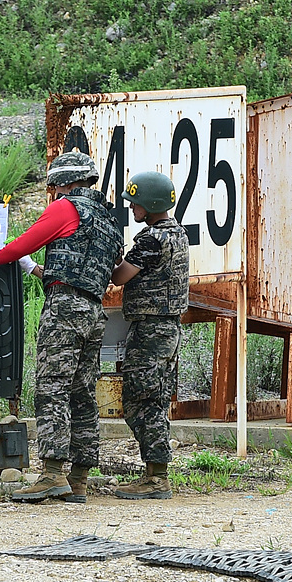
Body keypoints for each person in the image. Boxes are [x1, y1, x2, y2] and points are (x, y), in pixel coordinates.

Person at [0, 151, 123, 504]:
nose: (52, 193)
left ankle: (52, 473)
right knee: (83, 394)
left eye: (53, 186)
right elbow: (95, 269)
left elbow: (26, 241)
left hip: (64, 309)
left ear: (64, 184)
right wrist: (36, 269)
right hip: (94, 311)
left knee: (52, 388)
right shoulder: (109, 220)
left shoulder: (66, 208)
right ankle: (79, 478)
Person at [109, 171, 189, 500]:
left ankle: (157, 478)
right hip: (167, 330)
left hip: (151, 331)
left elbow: (120, 277)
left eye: (136, 204)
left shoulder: (150, 241)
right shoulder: (177, 234)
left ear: (150, 204)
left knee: (140, 403)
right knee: (153, 401)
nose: (132, 208)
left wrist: (110, 255)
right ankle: (156, 474)